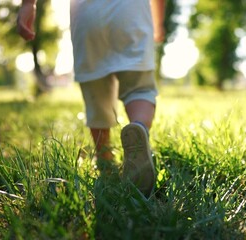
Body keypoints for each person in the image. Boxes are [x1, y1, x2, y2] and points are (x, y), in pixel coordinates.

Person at [17, 0, 165, 198]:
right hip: (131, 14)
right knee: (139, 90)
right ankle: (139, 128)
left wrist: (28, 4)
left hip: (86, 17)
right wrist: (158, 22)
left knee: (96, 98)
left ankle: (104, 158)